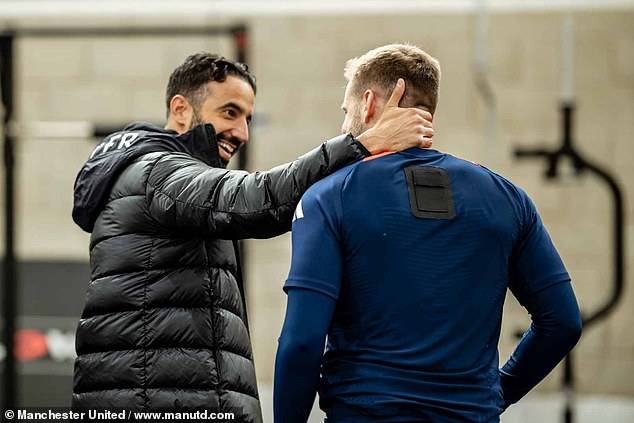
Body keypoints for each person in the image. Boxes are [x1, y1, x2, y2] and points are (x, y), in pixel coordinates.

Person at [71, 52, 434, 422]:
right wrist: (363, 143)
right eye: (229, 113)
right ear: (180, 110)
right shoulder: (158, 171)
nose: (242, 133)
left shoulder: (158, 177)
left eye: (247, 118)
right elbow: (254, 199)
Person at [274, 44, 583, 423]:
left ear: (368, 103)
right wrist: (497, 394)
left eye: (346, 110)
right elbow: (563, 321)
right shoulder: (507, 198)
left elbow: (302, 344)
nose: (343, 126)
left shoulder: (329, 196)